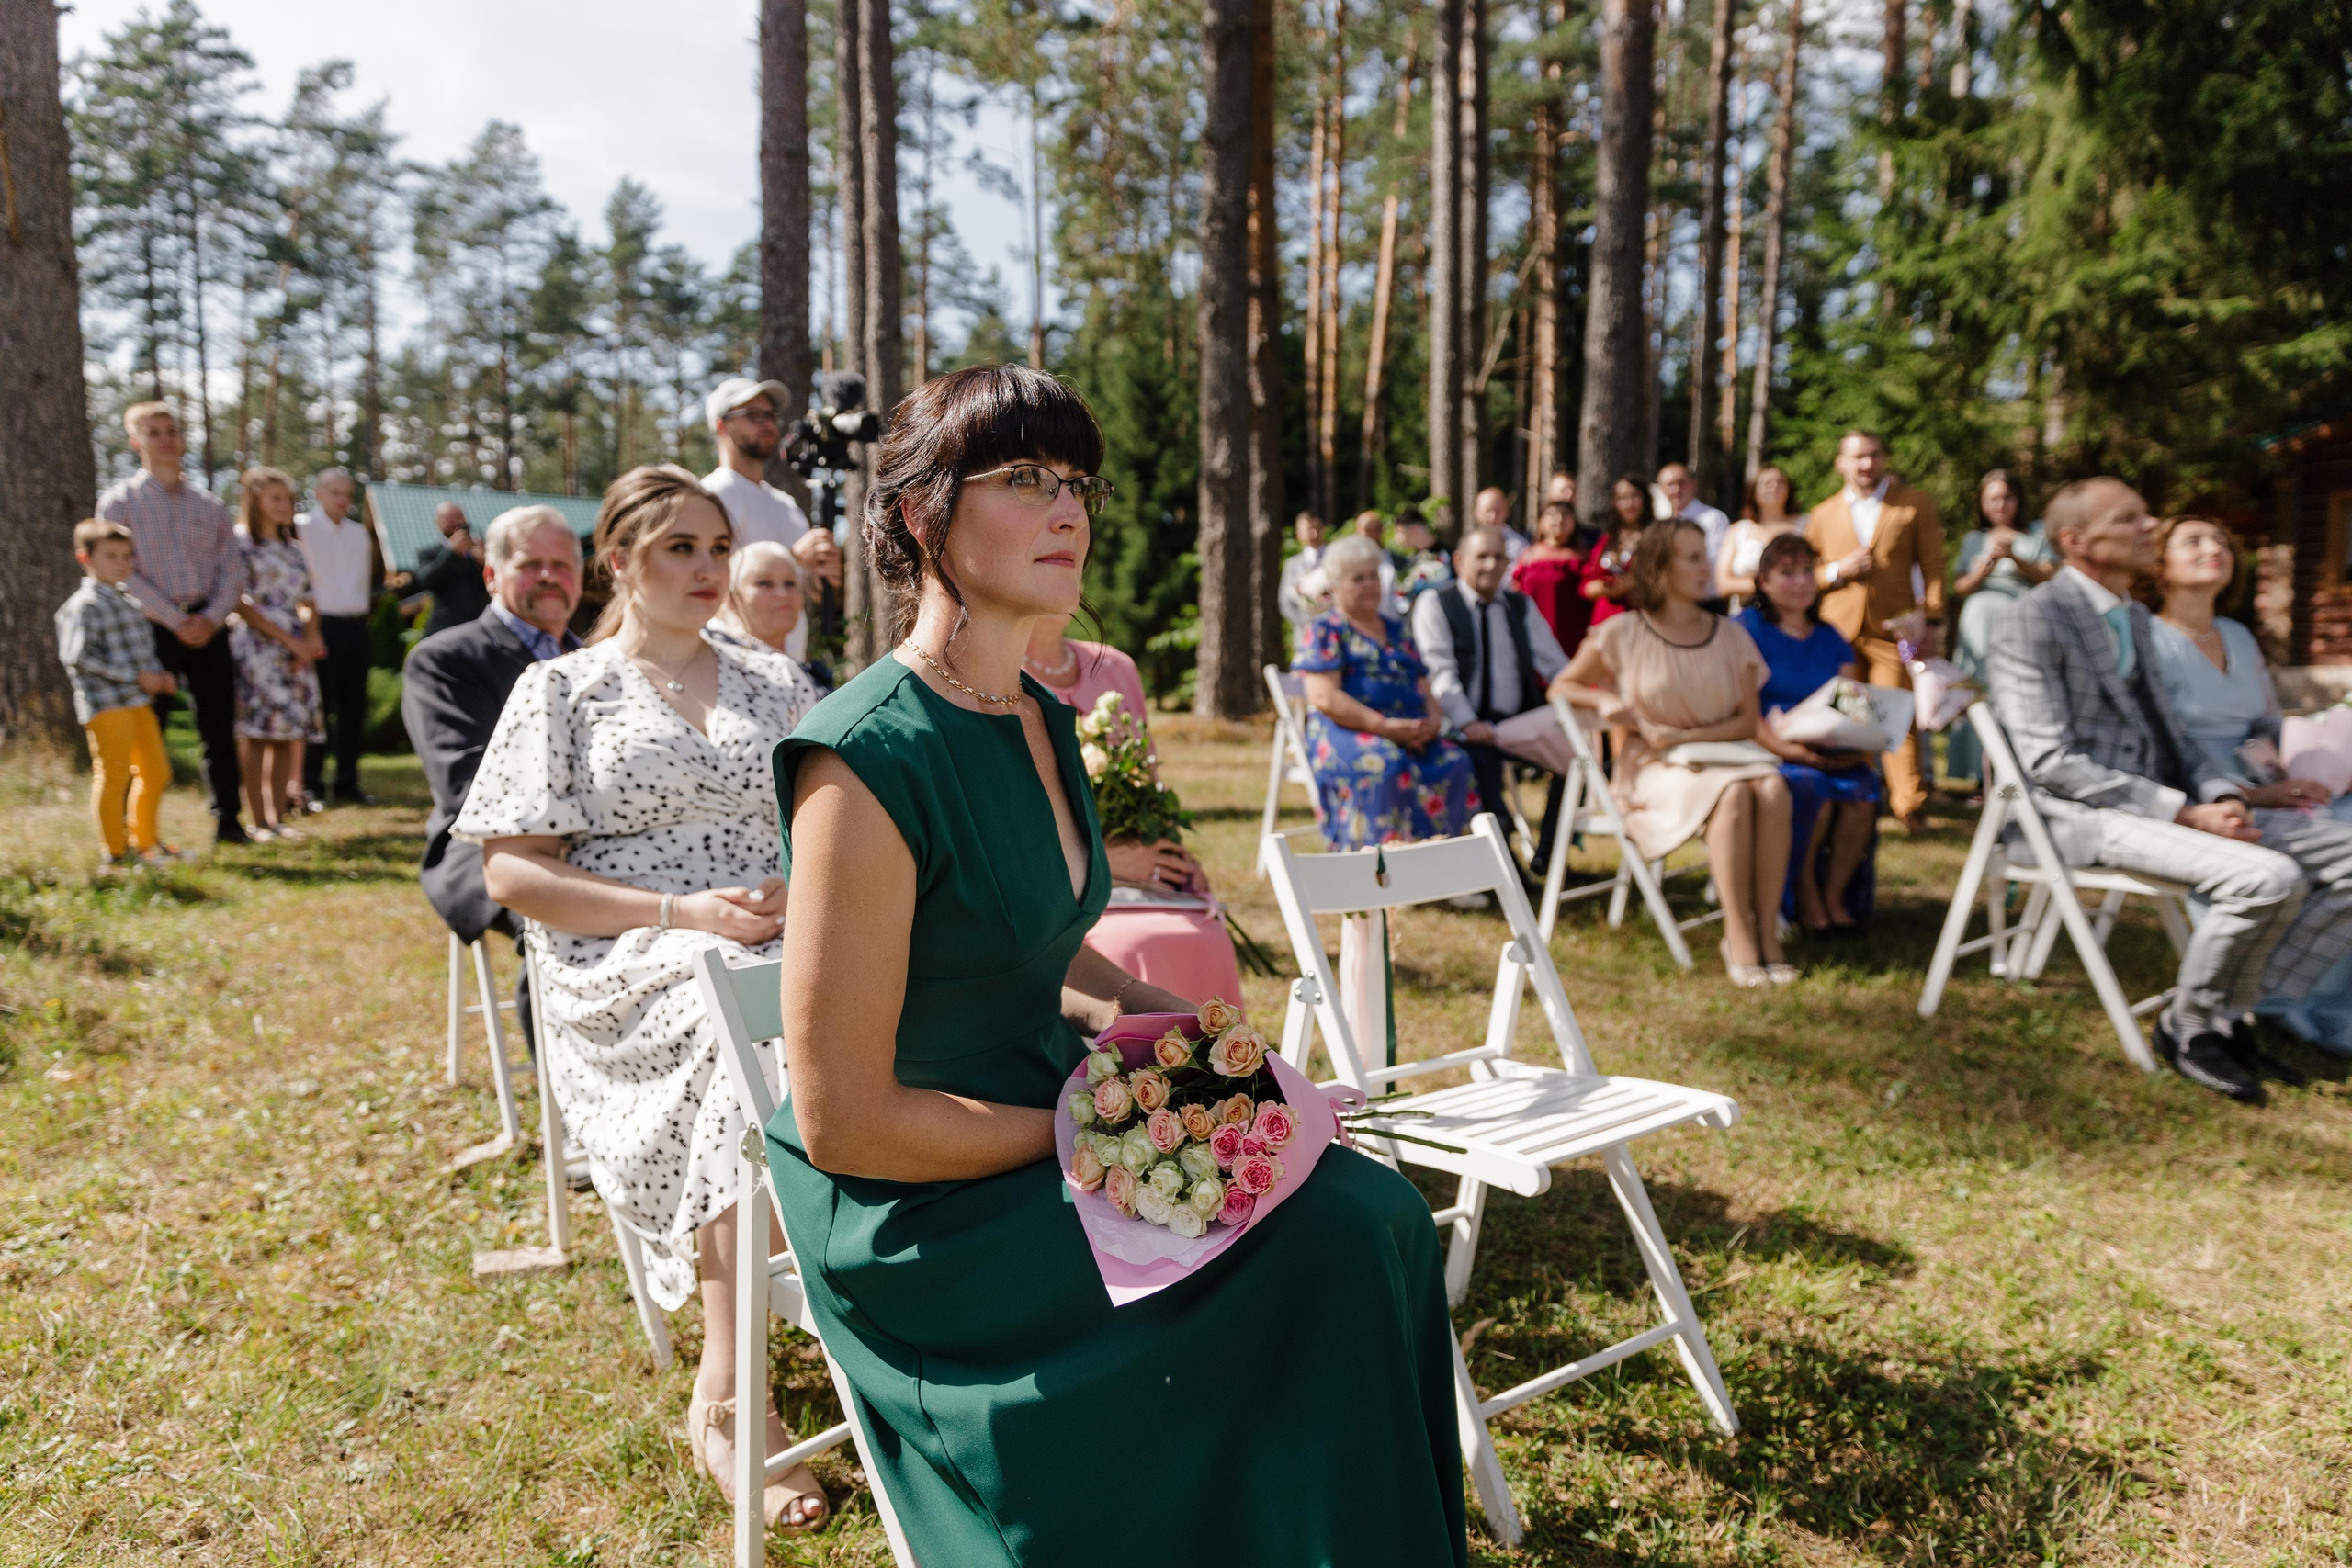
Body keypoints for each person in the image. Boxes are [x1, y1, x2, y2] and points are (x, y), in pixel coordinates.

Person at [767, 364, 1467, 1565]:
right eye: (1026, 479)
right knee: (1327, 1250)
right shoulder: (863, 758)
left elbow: (1052, 959)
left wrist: (1211, 1052)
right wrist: (1095, 1124)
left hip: (1062, 1112)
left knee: (1382, 1210)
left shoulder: (1037, 717)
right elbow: (843, 1119)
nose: (1070, 510)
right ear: (924, 514)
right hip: (929, 1200)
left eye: (1079, 481)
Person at [456, 468, 826, 1526]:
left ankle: (899, 1312)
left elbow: (839, 822)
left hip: (781, 925)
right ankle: (728, 1390)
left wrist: (801, 887)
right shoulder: (563, 691)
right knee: (738, 1025)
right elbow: (512, 875)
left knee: (867, 997)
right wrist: (682, 915)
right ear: (617, 561)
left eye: (717, 548)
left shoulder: (776, 682)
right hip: (628, 951)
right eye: (679, 549)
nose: (708, 569)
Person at [1985, 479, 2352, 1102]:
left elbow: (2174, 739)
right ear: (2076, 541)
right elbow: (2049, 763)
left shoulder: (2128, 615)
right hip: (2071, 815)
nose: (2150, 524)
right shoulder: (2031, 618)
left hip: (2157, 804)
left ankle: (2233, 1015)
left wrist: (2222, 797)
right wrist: (2184, 811)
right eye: (2129, 518)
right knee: (2268, 878)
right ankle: (2188, 1025)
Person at [2143, 514, 2352, 1063]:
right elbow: (2167, 751)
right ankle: (2261, 1003)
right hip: (2202, 801)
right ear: (2158, 565)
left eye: (2221, 541)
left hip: (2265, 784)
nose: (2214, 548)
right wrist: (2252, 797)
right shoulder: (2146, 639)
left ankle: (2270, 996)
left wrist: (2300, 773)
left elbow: (2266, 725)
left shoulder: (2236, 634)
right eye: (2194, 541)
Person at [1554, 518, 1797, 986]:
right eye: (1692, 558)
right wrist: (1605, 700)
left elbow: (1748, 722)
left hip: (1719, 755)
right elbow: (1562, 687)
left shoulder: (1731, 635)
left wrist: (1684, 739)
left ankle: (1768, 932)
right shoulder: (1623, 631)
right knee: (1737, 793)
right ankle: (1739, 933)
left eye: (1705, 555)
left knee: (1772, 787)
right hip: (1652, 767)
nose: (1706, 567)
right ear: (1661, 569)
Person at [401, 504, 586, 1057]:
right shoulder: (445, 659)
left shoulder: (599, 659)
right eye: (531, 564)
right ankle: (569, 1116)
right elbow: (466, 785)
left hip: (591, 838)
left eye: (563, 564)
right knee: (563, 916)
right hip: (482, 849)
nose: (550, 576)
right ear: (491, 575)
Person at [1024, 613, 1246, 1008]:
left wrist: (1169, 849)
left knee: (1207, 939)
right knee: (1130, 946)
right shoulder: (992, 679)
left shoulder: (1115, 667)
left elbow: (1146, 780)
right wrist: (1101, 866)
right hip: (1057, 892)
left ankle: (1214, 1065)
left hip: (1139, 879)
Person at [97, 401, 247, 844]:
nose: (165, 439)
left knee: (219, 729)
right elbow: (119, 573)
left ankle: (228, 822)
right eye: (154, 431)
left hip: (209, 626)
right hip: (150, 630)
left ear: (182, 439)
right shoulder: (118, 503)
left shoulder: (210, 505)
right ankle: (137, 833)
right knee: (147, 735)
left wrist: (212, 617)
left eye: (172, 431)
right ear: (136, 441)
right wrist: (173, 618)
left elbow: (232, 570)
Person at [1296, 533, 1481, 848]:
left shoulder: (1396, 630)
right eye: (1358, 579)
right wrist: (1382, 726)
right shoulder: (1326, 629)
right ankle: (1381, 870)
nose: (1369, 585)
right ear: (1336, 586)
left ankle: (1441, 866)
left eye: (1373, 576)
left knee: (1455, 761)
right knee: (1386, 763)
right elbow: (1324, 696)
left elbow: (1422, 682)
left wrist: (1434, 721)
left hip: (1408, 730)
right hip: (1349, 731)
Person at [1738, 534, 1881, 933]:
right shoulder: (1746, 629)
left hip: (1828, 746)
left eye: (1807, 571)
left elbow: (1852, 703)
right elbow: (1742, 708)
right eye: (1787, 573)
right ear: (1763, 581)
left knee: (1863, 791)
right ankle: (1801, 889)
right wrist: (1791, 750)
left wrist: (1857, 743)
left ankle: (1835, 893)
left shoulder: (1830, 636)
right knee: (1809, 789)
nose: (1801, 581)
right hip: (1768, 748)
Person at [1805, 429, 1946, 831]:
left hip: (1893, 628)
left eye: (1873, 455)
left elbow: (1934, 564)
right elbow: (1805, 574)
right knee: (1849, 715)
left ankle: (1909, 804)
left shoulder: (1913, 504)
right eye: (1857, 457)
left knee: (1895, 714)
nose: (1866, 464)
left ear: (1883, 458)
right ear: (1841, 463)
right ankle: (1856, 795)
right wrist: (1837, 571)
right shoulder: (1823, 513)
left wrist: (1932, 618)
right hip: (1838, 629)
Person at [1417, 525, 1573, 876]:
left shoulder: (1520, 606)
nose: (1491, 565)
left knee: (1579, 757)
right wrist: (1467, 722)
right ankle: (1503, 868)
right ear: (1459, 561)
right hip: (1462, 725)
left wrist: (1579, 693)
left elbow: (1553, 662)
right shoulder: (1437, 603)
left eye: (1499, 556)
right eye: (1481, 556)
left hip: (1517, 722)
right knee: (1480, 762)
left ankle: (1550, 853)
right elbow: (1439, 670)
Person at [54, 519, 180, 869]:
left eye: (127, 556)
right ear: (85, 558)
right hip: (106, 705)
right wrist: (136, 677)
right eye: (111, 556)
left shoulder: (128, 601)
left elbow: (140, 650)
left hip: (138, 702)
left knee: (155, 772)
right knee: (114, 775)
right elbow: (77, 656)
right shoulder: (84, 605)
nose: (122, 563)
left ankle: (147, 844)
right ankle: (115, 853)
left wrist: (157, 676)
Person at [700, 377, 843, 662]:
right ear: (721, 425)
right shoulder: (712, 494)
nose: (767, 423)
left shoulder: (785, 504)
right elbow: (705, 577)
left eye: (770, 415)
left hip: (790, 665)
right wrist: (792, 560)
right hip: (732, 664)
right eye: (753, 415)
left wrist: (821, 577)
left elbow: (804, 591)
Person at [230, 468, 326, 840]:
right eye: (276, 499)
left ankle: (278, 816)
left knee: (288, 732)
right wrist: (290, 640)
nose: (285, 506)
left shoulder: (294, 549)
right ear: (255, 502)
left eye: (288, 499)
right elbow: (240, 603)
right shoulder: (240, 544)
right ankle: (257, 820)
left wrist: (310, 635)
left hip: (294, 649)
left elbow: (308, 599)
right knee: (257, 733)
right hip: (258, 646)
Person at [1946, 468, 2056, 787]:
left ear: (2018, 500)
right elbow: (1961, 586)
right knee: (1977, 692)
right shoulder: (1974, 540)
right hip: (1979, 624)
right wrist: (1983, 570)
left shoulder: (2035, 534)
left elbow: (2050, 576)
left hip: (2021, 622)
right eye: (1993, 498)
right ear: (1982, 503)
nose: (2000, 504)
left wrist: (2015, 558)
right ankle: (1978, 774)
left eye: (2007, 497)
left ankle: (2019, 768)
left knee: (2018, 690)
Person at [293, 468, 379, 809]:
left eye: (347, 494)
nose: (343, 500)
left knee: (353, 708)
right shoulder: (302, 527)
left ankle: (347, 781)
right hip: (321, 623)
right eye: (335, 492)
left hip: (356, 625)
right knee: (319, 706)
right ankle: (310, 783)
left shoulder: (360, 534)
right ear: (318, 492)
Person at [710, 538, 833, 690]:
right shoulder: (715, 669)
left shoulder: (809, 678)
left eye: (790, 583)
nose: (782, 594)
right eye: (764, 583)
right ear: (731, 599)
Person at [1511, 498, 1596, 658]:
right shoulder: (1527, 556)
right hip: (1533, 634)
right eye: (1552, 515)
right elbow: (1516, 593)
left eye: (1565, 515)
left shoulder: (1583, 557)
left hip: (1571, 635)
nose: (1559, 520)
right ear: (1541, 522)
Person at [1714, 464, 1802, 611]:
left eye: (1780, 482)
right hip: (1747, 617)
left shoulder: (1806, 524)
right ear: (1753, 491)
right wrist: (1767, 586)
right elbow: (1722, 583)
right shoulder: (1738, 530)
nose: (1774, 486)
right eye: (1766, 483)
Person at [1578, 474, 1651, 632]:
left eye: (1634, 496)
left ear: (1645, 499)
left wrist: (1630, 583)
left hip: (1638, 621)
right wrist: (1598, 588)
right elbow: (1587, 581)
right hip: (1604, 621)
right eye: (1622, 498)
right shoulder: (1608, 539)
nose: (1629, 504)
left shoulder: (1654, 536)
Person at [413, 502, 494, 638]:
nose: (456, 522)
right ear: (438, 523)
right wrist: (451, 552)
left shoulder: (479, 551)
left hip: (479, 628)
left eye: (459, 517)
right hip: (444, 629)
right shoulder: (429, 553)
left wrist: (486, 561)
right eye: (449, 519)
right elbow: (426, 580)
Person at [1657, 462, 1733, 596]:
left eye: (1682, 483)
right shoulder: (1660, 524)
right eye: (1670, 485)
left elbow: (1715, 564)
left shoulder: (1714, 519)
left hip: (1706, 600)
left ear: (1693, 483)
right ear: (1662, 490)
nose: (1676, 490)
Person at [1276, 509, 1329, 636]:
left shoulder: (1335, 559)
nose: (1313, 534)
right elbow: (1285, 602)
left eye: (1316, 528)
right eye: (1308, 530)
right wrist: (1306, 622)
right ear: (1299, 534)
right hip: (1304, 635)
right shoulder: (1292, 565)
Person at [1390, 506, 1454, 604]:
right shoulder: (1412, 559)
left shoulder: (1449, 556)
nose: (1397, 538)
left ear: (1414, 530)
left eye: (1400, 532)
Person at [1472, 484, 1530, 559]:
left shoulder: (1519, 547)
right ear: (1476, 512)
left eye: (1498, 511)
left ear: (1507, 512)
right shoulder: (1468, 543)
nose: (1492, 517)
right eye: (1487, 511)